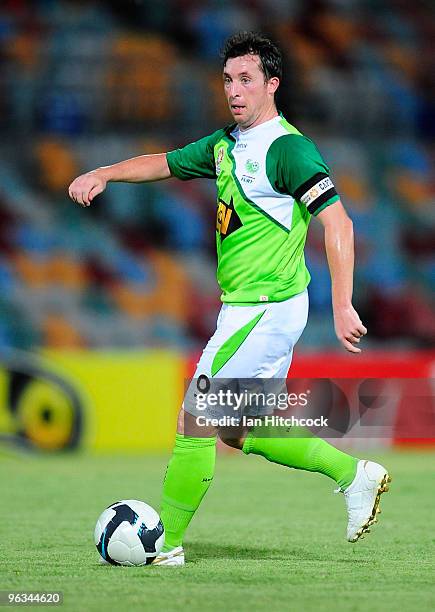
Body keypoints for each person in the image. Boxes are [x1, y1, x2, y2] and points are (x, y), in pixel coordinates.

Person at [69, 31, 391, 566]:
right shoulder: (226, 144)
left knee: (196, 414)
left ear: (272, 84)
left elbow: (338, 222)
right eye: (227, 80)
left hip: (262, 308)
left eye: (246, 80)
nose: (235, 91)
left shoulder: (287, 149)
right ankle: (353, 475)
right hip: (256, 307)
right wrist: (103, 173)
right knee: (240, 429)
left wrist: (343, 304)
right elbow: (165, 161)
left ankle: (163, 542)